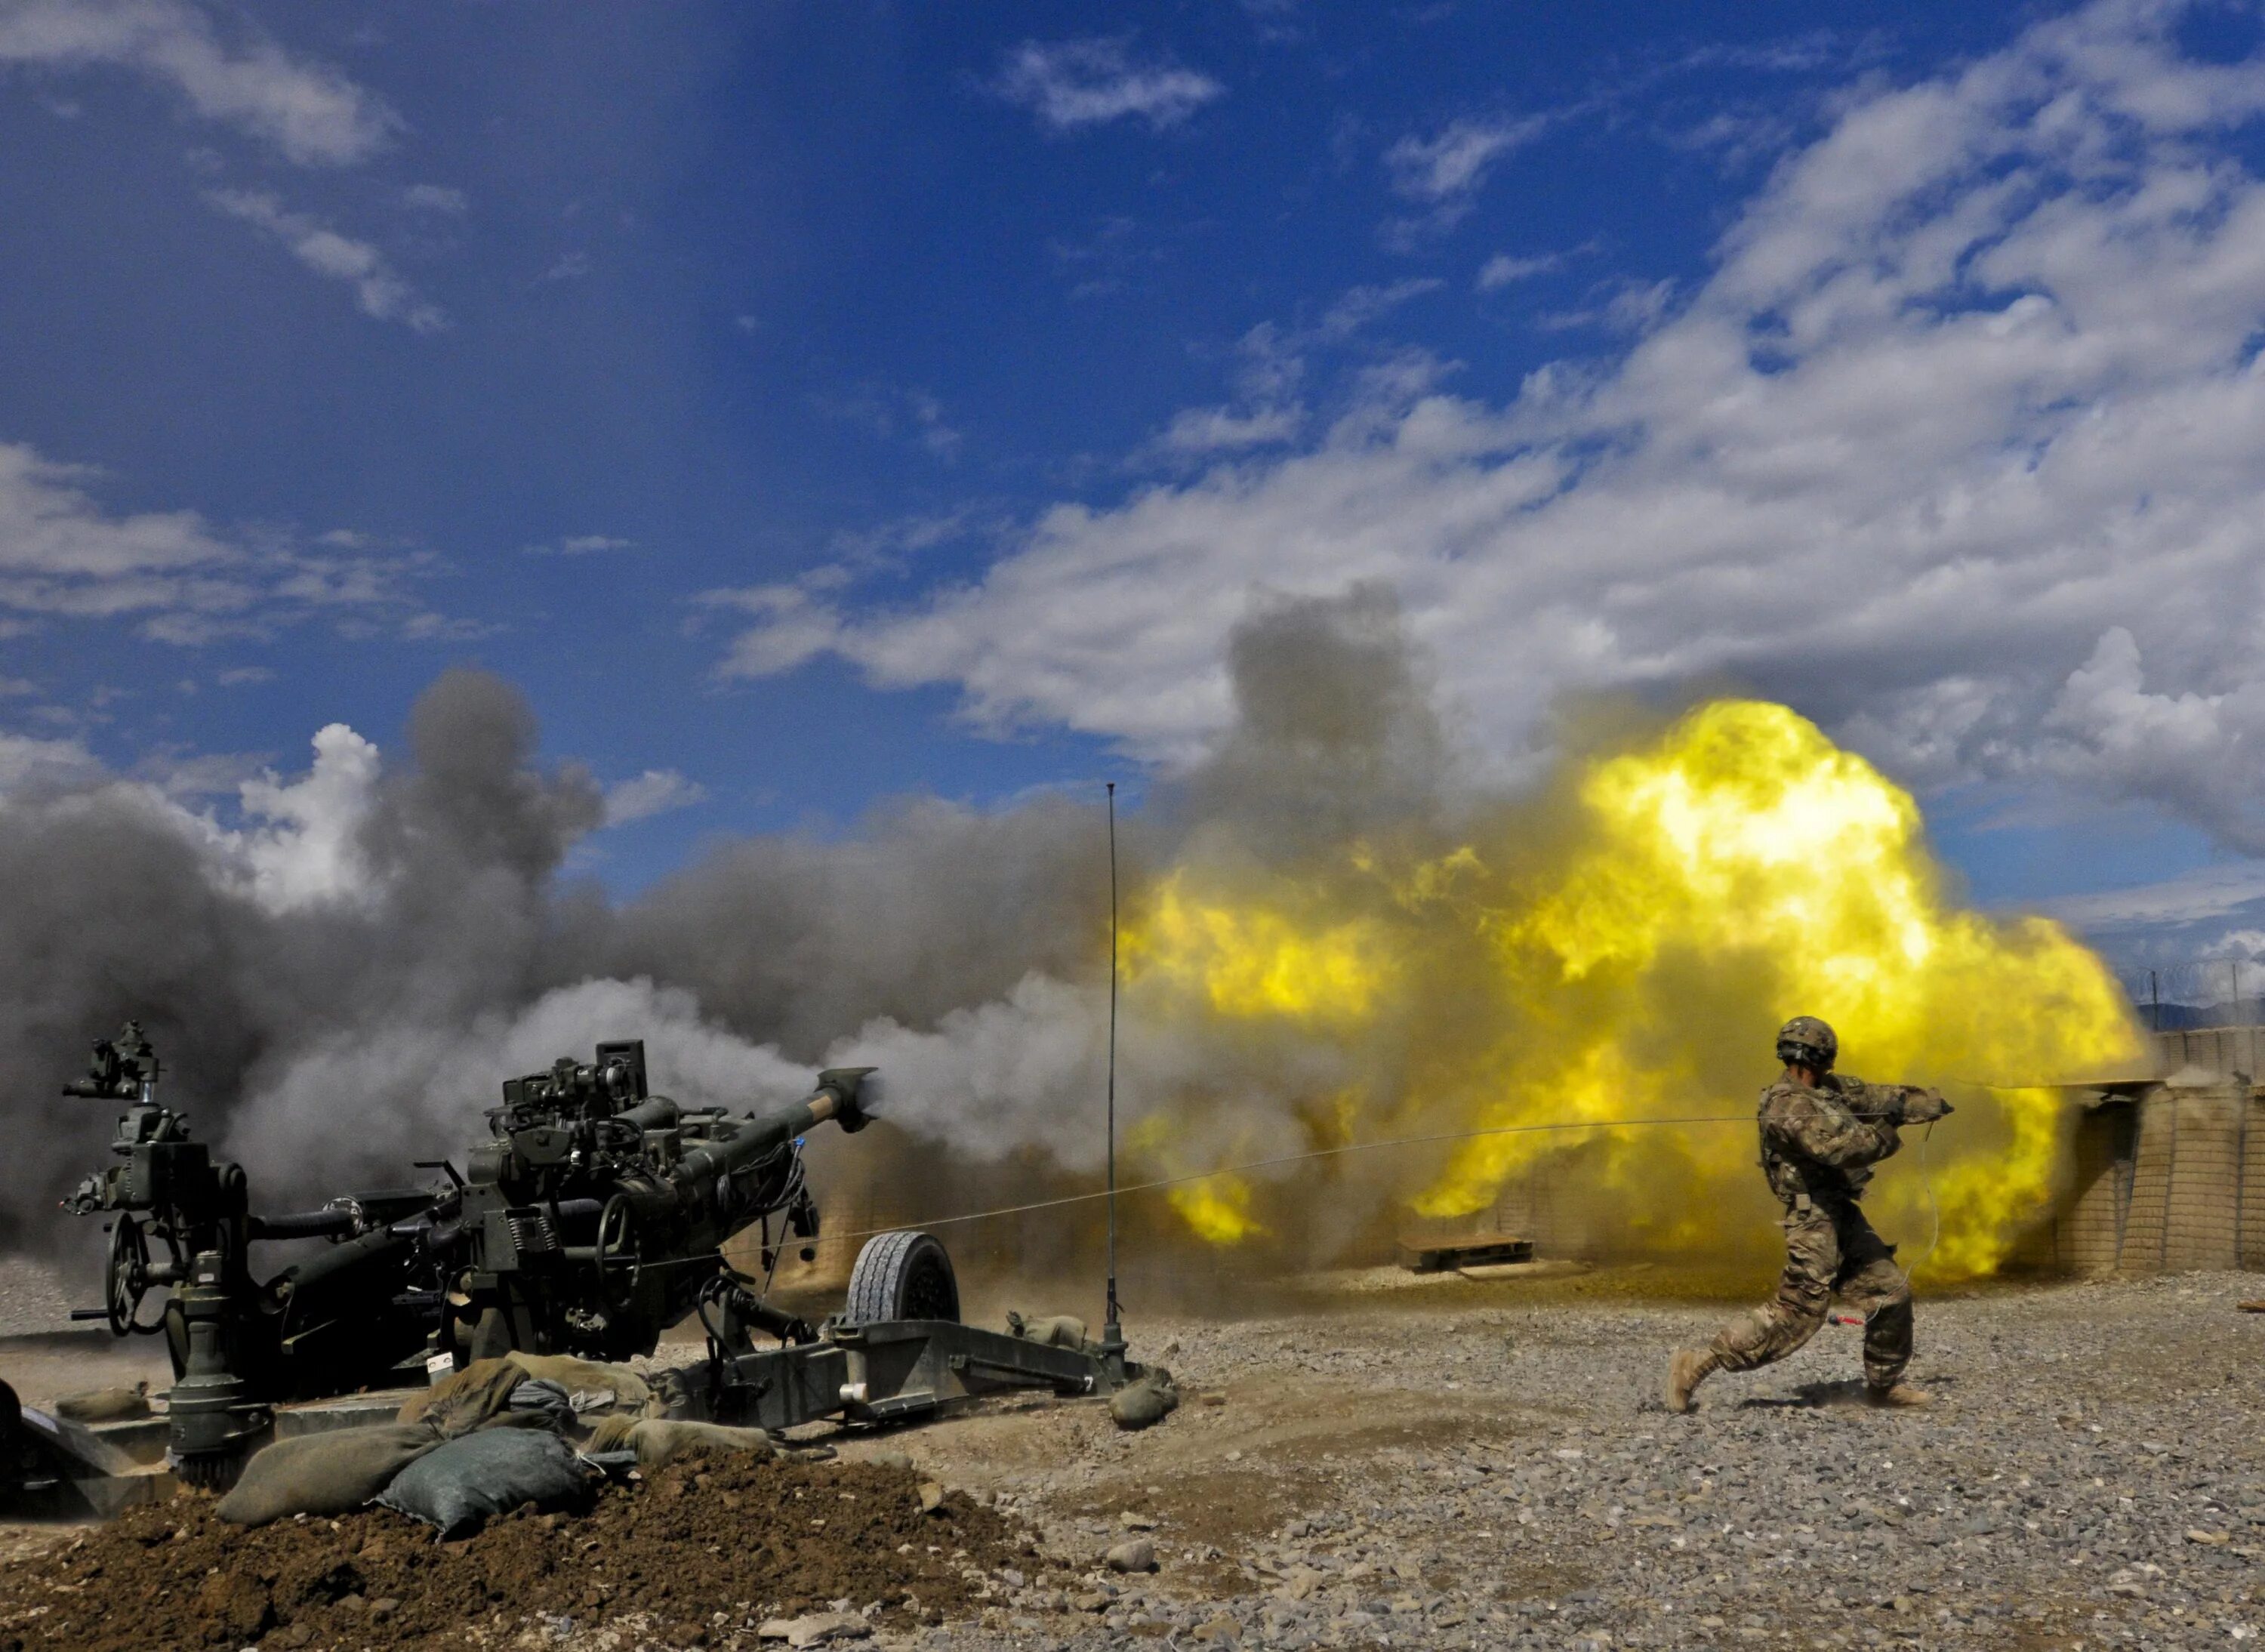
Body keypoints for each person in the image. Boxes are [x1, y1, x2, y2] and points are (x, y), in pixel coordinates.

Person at [1666, 1016, 1950, 1413]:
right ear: (1823, 1056)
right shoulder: (1787, 1105)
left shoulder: (1830, 1090)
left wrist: (1917, 1103)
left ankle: (1883, 1386)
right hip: (1812, 1217)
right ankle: (1696, 1366)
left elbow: (1875, 1096)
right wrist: (1890, 1127)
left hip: (1841, 1212)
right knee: (1798, 1312)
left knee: (1890, 1292)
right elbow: (1843, 1150)